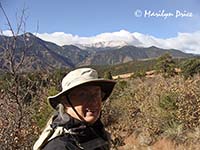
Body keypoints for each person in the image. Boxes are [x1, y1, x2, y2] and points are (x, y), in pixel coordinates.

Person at [33, 68, 116, 150]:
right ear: (65, 101)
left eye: (97, 93)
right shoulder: (59, 146)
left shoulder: (94, 130)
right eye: (83, 95)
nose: (94, 101)